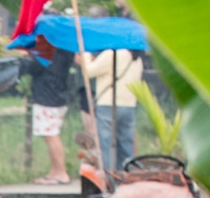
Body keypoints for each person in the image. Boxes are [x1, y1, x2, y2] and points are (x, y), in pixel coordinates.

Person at [81, 47, 143, 172]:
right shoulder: (137, 60)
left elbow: (88, 71)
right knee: (126, 145)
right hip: (129, 105)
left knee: (105, 145)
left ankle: (107, 176)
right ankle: (125, 176)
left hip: (107, 103)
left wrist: (86, 54)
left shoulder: (112, 54)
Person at [23, 34, 74, 185]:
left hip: (46, 95)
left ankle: (61, 173)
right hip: (59, 93)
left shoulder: (46, 46)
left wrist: (28, 56)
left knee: (51, 135)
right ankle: (54, 171)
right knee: (50, 134)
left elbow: (34, 67)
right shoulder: (66, 46)